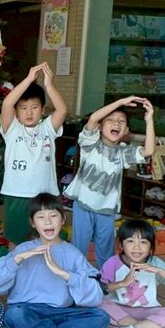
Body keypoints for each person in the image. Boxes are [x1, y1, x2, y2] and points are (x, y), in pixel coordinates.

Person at [0, 193, 110, 328]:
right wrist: (17, 259)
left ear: (62, 220)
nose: (48, 222)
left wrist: (63, 273)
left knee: (100, 316)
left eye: (53, 215)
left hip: (62, 312)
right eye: (41, 217)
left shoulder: (73, 253)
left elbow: (95, 295)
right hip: (28, 310)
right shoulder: (23, 249)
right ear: (33, 222)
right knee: (13, 315)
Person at [63, 95, 155, 265]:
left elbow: (148, 151)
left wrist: (149, 120)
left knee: (105, 249)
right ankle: (76, 276)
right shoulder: (90, 144)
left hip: (106, 210)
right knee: (79, 247)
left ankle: (105, 278)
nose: (116, 124)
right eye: (110, 120)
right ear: (100, 126)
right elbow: (92, 118)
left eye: (121, 121)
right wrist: (120, 102)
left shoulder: (123, 152)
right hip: (83, 205)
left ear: (126, 130)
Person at [0, 62, 68, 247]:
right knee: (16, 237)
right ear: (16, 111)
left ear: (43, 109)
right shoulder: (12, 129)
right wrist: (29, 79)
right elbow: (7, 103)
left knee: (47, 238)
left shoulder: (48, 128)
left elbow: (62, 110)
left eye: (35, 107)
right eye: (23, 108)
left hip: (46, 195)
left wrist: (49, 85)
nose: (29, 112)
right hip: (17, 193)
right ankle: (15, 265)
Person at [99, 219, 165, 328]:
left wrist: (159, 271)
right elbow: (100, 289)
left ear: (151, 247)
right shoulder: (112, 263)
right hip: (118, 309)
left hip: (147, 310)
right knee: (97, 302)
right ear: (121, 244)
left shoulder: (155, 263)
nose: (137, 247)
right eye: (130, 241)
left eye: (143, 242)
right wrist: (123, 283)